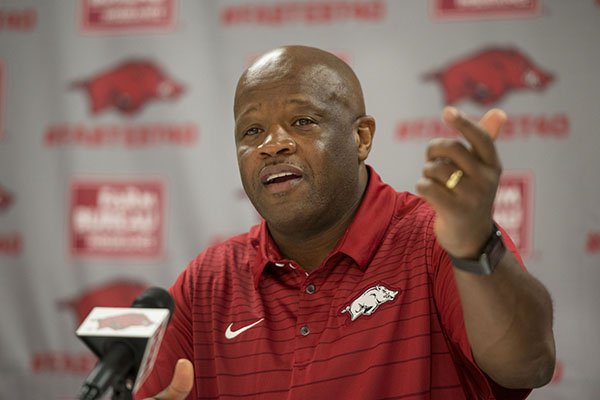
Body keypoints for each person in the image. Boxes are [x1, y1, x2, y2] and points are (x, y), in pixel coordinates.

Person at [135, 45, 555, 400]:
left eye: (302, 122)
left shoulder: (437, 240)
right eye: (251, 131)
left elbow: (528, 365)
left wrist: (474, 246)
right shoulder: (208, 281)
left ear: (361, 139)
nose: (272, 145)